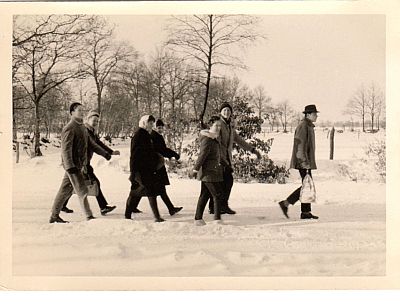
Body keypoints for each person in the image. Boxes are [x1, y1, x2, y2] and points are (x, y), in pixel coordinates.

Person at [49, 103, 111, 223]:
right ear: (72, 112)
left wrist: (105, 154)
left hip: (79, 165)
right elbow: (65, 150)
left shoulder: (82, 127)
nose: (82, 112)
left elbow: (92, 144)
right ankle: (89, 216)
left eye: (83, 110)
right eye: (79, 110)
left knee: (64, 190)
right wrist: (69, 166)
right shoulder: (69, 127)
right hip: (72, 166)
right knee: (82, 191)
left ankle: (54, 215)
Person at [61, 110, 119, 216]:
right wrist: (107, 155)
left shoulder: (92, 131)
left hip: (83, 162)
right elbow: (94, 146)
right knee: (94, 182)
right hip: (82, 163)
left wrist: (110, 151)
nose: (96, 123)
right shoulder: (85, 131)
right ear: (88, 119)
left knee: (71, 185)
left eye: (97, 121)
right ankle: (103, 207)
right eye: (94, 120)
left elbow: (99, 143)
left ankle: (62, 205)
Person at [208, 102, 261, 215]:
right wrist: (221, 159)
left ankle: (215, 206)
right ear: (221, 112)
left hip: (226, 158)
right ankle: (221, 206)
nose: (227, 112)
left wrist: (253, 150)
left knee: (220, 183)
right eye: (224, 110)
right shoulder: (219, 125)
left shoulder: (229, 126)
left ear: (231, 112)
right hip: (219, 158)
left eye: (228, 110)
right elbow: (216, 143)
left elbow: (239, 140)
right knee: (225, 181)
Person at [278, 104, 319, 220]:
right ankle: (286, 204)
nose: (316, 116)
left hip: (306, 161)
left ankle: (305, 212)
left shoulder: (309, 126)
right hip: (303, 161)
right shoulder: (303, 126)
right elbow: (299, 146)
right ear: (308, 114)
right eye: (315, 114)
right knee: (306, 186)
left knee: (307, 186)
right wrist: (304, 162)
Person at [125, 115, 165, 222]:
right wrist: (133, 172)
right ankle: (157, 217)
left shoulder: (146, 135)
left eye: (152, 123)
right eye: (149, 123)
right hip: (140, 170)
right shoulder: (139, 135)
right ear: (144, 123)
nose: (151, 125)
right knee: (150, 191)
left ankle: (127, 216)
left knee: (135, 193)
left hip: (146, 169)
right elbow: (133, 155)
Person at [191, 116, 225, 225]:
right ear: (210, 125)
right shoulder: (208, 139)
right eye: (216, 125)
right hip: (208, 172)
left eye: (220, 125)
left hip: (213, 171)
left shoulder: (214, 139)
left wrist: (226, 164)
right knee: (217, 194)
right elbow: (202, 156)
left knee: (205, 195)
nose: (218, 128)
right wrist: (195, 170)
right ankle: (217, 219)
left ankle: (198, 219)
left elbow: (217, 155)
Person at [149, 119, 183, 215]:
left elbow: (163, 150)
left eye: (161, 128)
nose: (160, 129)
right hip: (156, 166)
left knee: (160, 189)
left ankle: (171, 208)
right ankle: (132, 207)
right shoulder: (154, 136)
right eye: (158, 127)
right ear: (155, 127)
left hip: (158, 164)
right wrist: (174, 154)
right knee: (155, 189)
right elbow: (162, 150)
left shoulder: (157, 136)